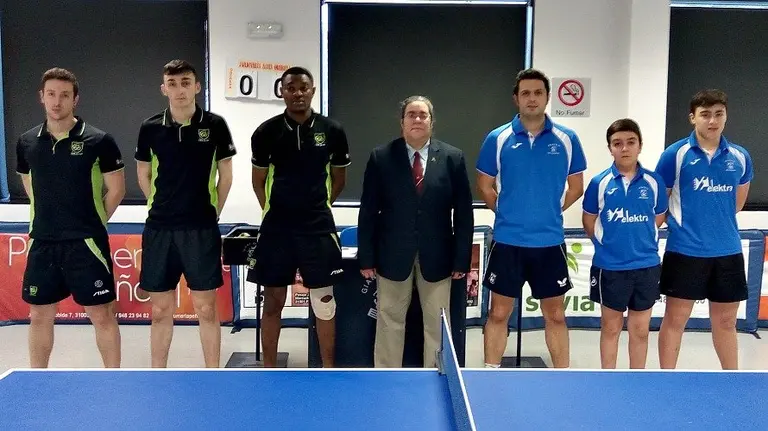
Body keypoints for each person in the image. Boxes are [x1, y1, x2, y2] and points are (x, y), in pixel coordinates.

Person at [477, 68, 586, 369]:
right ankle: (490, 373)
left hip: (549, 242)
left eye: (538, 93)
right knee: (498, 313)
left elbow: (576, 187)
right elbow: (485, 185)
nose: (532, 98)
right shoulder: (497, 138)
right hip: (508, 241)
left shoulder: (567, 139)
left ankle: (562, 375)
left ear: (547, 97)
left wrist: (549, 211)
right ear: (516, 99)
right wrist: (506, 212)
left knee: (555, 315)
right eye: (525, 93)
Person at [16, 67, 125, 368]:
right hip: (43, 243)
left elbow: (116, 189)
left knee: (101, 314)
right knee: (38, 315)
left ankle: (113, 381)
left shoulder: (99, 140)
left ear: (75, 99)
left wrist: (92, 221)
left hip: (86, 243)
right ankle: (36, 381)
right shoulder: (26, 142)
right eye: (51, 94)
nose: (57, 101)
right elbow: (30, 184)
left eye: (64, 95)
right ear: (42, 97)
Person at [358, 95, 474, 368]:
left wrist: (461, 259)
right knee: (389, 321)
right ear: (402, 122)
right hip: (391, 256)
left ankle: (437, 376)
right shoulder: (381, 157)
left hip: (439, 258)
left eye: (423, 115)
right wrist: (367, 257)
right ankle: (386, 377)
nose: (417, 119)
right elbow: (368, 211)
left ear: (432, 122)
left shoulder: (453, 158)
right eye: (412, 114)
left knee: (437, 323)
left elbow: (464, 213)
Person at [135, 60, 236, 368]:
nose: (180, 89)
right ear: (164, 88)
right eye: (173, 83)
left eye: (186, 81)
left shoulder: (215, 125)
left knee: (206, 309)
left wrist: (211, 213)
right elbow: (144, 173)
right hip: (160, 229)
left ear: (197, 86)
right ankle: (157, 374)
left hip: (201, 230)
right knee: (160, 311)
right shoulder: (150, 128)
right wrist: (160, 204)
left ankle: (212, 373)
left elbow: (226, 175)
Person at [248, 66, 350, 368]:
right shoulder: (266, 132)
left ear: (313, 91)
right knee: (273, 302)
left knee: (324, 303)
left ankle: (328, 369)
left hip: (318, 228)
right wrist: (276, 209)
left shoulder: (332, 131)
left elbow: (339, 179)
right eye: (290, 88)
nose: (297, 93)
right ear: (282, 92)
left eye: (303, 88)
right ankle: (269, 369)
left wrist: (316, 206)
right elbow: (258, 181)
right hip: (277, 229)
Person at [655, 89, 753, 370]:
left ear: (725, 116)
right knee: (675, 320)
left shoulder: (740, 156)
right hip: (685, 251)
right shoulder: (675, 155)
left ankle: (731, 379)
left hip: (728, 252)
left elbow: (737, 203)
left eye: (718, 114)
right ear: (692, 118)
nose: (712, 121)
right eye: (705, 114)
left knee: (726, 322)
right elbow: (661, 203)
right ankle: (666, 379)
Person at [582, 119, 668, 369]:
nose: (624, 148)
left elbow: (658, 218)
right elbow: (589, 220)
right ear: (610, 148)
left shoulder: (654, 182)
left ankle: (636, 380)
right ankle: (608, 379)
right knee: (610, 327)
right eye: (617, 143)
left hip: (646, 266)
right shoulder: (599, 183)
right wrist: (606, 247)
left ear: (640, 145)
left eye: (631, 142)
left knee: (640, 330)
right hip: (610, 267)